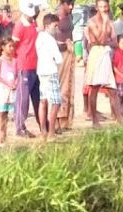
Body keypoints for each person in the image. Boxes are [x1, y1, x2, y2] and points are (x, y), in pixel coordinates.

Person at [83, 0, 122, 127]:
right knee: (94, 87)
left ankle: (119, 119)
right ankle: (94, 120)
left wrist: (106, 41)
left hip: (105, 54)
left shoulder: (110, 22)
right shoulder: (92, 22)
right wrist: (105, 24)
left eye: (105, 6)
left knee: (112, 89)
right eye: (101, 7)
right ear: (96, 7)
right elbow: (99, 39)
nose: (104, 9)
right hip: (96, 54)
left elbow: (115, 43)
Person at [11, 0, 40, 138]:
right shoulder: (19, 26)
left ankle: (42, 124)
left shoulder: (34, 23)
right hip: (24, 65)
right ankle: (19, 127)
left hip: (35, 65)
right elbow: (13, 46)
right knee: (23, 99)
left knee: (36, 98)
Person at [35, 12, 61, 143]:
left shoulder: (39, 37)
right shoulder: (50, 40)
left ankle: (43, 131)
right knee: (56, 102)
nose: (56, 29)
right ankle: (51, 131)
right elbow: (58, 58)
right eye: (55, 26)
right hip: (51, 71)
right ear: (47, 25)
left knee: (43, 101)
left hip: (41, 71)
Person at [53, 0, 74, 131]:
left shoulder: (69, 15)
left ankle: (65, 120)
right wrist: (64, 44)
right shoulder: (56, 17)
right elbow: (54, 38)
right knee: (60, 87)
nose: (71, 7)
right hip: (60, 54)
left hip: (68, 53)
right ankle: (56, 120)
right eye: (69, 4)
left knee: (68, 88)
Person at [0, 37, 18, 143]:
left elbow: (17, 75)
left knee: (6, 113)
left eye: (13, 46)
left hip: (11, 90)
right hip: (2, 89)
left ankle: (4, 136)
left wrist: (15, 83)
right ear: (3, 47)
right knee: (1, 114)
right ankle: (0, 136)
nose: (12, 48)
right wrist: (7, 83)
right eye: (10, 46)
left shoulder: (14, 61)